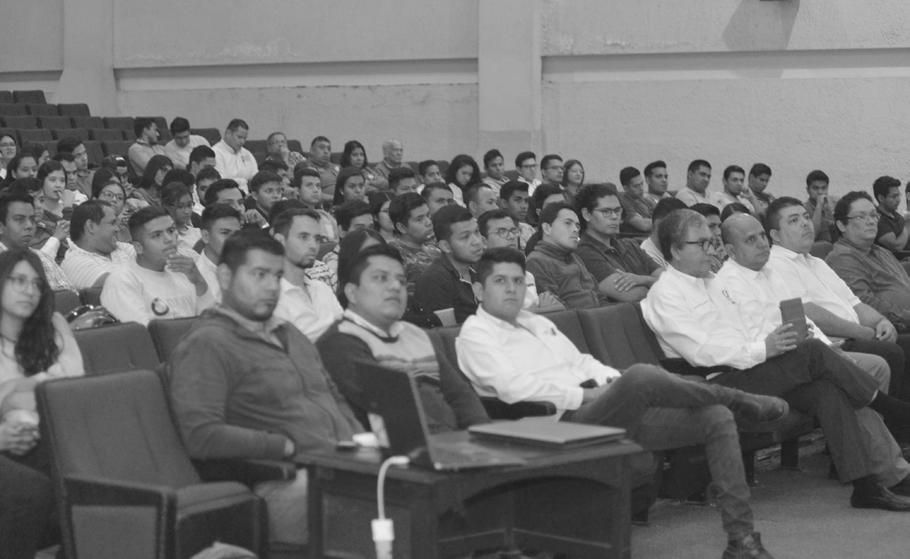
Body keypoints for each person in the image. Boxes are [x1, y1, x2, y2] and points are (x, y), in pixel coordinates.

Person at [457, 247, 789, 559]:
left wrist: (611, 382)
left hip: (599, 410)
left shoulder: (538, 323)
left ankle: (740, 539)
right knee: (641, 376)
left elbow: (583, 363)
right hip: (553, 426)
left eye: (518, 281)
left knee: (715, 417)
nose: (512, 289)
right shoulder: (475, 335)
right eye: (500, 281)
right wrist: (589, 394)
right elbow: (513, 390)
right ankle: (738, 397)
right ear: (479, 289)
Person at [642, 208, 910, 512]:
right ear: (676, 250)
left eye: (711, 242)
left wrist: (775, 345)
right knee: (813, 352)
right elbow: (700, 352)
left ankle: (865, 487)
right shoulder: (666, 294)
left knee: (827, 390)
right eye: (701, 244)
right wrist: (764, 349)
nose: (710, 250)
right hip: (716, 381)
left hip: (753, 370)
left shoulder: (713, 282)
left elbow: (751, 326)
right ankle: (894, 410)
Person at [168, 229, 362, 548]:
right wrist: (282, 445)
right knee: (394, 507)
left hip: (340, 463)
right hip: (283, 481)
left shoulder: (290, 333)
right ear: (225, 276)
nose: (272, 287)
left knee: (421, 485)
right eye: (259, 275)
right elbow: (201, 435)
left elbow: (332, 396)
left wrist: (358, 440)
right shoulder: (206, 343)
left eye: (277, 276)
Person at [318, 243, 489, 430]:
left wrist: (482, 433)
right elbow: (390, 411)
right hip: (404, 442)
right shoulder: (340, 342)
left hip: (456, 440)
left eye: (401, 280)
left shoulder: (415, 334)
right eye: (380, 278)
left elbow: (460, 396)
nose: (395, 286)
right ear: (352, 292)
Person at [764, 196, 910, 401]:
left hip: (857, 333)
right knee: (894, 351)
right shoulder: (776, 265)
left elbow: (854, 302)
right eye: (794, 220)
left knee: (900, 346)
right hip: (832, 341)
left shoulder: (816, 262)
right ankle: (895, 416)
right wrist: (862, 332)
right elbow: (809, 313)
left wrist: (880, 321)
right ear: (775, 235)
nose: (805, 223)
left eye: (806, 217)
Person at [0, 249, 84, 559]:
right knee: (35, 487)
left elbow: (73, 385)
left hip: (50, 433)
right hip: (10, 443)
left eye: (37, 284)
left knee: (93, 471)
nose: (29, 291)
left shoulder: (53, 325)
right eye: (19, 281)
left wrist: (15, 390)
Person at [101, 206, 215, 325]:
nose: (169, 239)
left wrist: (199, 282)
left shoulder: (184, 271)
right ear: (138, 247)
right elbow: (140, 333)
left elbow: (215, 323)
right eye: (157, 235)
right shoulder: (122, 281)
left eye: (171, 230)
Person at [827, 191, 910, 329]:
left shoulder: (880, 251)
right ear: (842, 225)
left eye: (873, 215)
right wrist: (906, 316)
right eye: (861, 217)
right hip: (893, 327)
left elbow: (902, 282)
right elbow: (863, 303)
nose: (871, 221)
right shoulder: (842, 258)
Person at [575, 183, 661, 302]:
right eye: (606, 211)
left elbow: (670, 281)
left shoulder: (631, 245)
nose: (615, 216)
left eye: (617, 210)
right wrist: (655, 282)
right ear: (586, 214)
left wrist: (644, 280)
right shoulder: (584, 252)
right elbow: (634, 295)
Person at [271, 208, 343, 341]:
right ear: (280, 240)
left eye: (317, 239)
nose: (313, 246)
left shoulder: (321, 288)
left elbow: (345, 333)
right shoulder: (272, 296)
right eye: (304, 237)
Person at [525, 202, 609, 308]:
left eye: (577, 225)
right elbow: (556, 308)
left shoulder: (575, 258)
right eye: (568, 223)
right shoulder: (535, 262)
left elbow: (600, 296)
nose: (575, 229)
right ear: (547, 228)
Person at [478, 209, 563, 312]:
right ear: (484, 241)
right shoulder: (481, 277)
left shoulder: (527, 274)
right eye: (502, 232)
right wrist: (541, 309)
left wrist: (539, 309)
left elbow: (560, 307)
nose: (511, 237)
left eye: (513, 231)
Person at [414, 205, 483, 324]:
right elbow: (446, 332)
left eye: (476, 232)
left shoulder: (483, 267)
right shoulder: (434, 280)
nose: (477, 241)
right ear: (446, 246)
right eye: (465, 237)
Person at [0, 192, 75, 292]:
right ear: (1, 226)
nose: (29, 225)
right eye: (19, 220)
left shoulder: (42, 258)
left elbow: (70, 295)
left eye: (32, 219)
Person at [61, 200, 135, 289]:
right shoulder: (74, 263)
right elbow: (120, 286)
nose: (117, 229)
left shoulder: (121, 247)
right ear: (91, 226)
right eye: (112, 223)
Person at [387, 192, 441, 295]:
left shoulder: (437, 249)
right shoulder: (392, 255)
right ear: (402, 227)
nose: (428, 222)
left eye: (428, 215)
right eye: (419, 219)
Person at [194, 203, 241, 303]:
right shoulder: (195, 277)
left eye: (237, 234)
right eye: (225, 233)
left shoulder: (245, 268)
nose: (233, 239)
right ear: (206, 236)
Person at [295, 166, 339, 243]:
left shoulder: (327, 218)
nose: (315, 190)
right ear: (297, 190)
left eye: (318, 186)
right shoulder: (292, 218)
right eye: (309, 185)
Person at [213, 119, 257, 193]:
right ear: (228, 133)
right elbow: (221, 182)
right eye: (239, 137)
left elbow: (256, 178)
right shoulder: (216, 153)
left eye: (245, 138)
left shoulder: (247, 153)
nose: (242, 142)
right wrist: (244, 182)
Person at [640, 197, 687, 268]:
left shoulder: (676, 251)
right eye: (679, 226)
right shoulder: (647, 256)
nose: (683, 233)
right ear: (659, 224)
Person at [161, 182, 201, 253]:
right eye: (180, 206)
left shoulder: (198, 232)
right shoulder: (164, 237)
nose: (187, 211)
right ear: (167, 206)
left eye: (189, 205)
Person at [873, 176, 909, 252]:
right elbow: (897, 247)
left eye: (899, 195)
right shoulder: (878, 220)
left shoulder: (896, 215)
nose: (898, 200)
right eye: (894, 196)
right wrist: (907, 225)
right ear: (881, 198)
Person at [691, 202, 727, 272]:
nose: (719, 232)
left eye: (719, 226)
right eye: (711, 226)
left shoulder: (722, 253)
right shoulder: (695, 261)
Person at [499, 180, 535, 250]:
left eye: (526, 201)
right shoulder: (498, 233)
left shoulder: (529, 229)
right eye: (518, 200)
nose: (524, 206)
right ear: (504, 203)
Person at [618, 167, 653, 234]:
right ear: (626, 188)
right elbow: (643, 225)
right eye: (636, 186)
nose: (641, 188)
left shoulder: (646, 200)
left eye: (642, 184)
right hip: (638, 237)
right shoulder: (623, 203)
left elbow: (661, 214)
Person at [805, 169, 836, 243]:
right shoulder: (804, 209)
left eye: (823, 188)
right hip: (817, 247)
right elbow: (812, 235)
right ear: (808, 190)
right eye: (815, 188)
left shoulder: (835, 203)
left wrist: (833, 211)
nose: (820, 192)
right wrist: (819, 206)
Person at [306, 136, 339, 204]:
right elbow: (311, 194)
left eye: (329, 149)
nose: (326, 151)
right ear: (312, 150)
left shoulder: (337, 167)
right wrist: (337, 199)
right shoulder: (306, 168)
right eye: (321, 148)